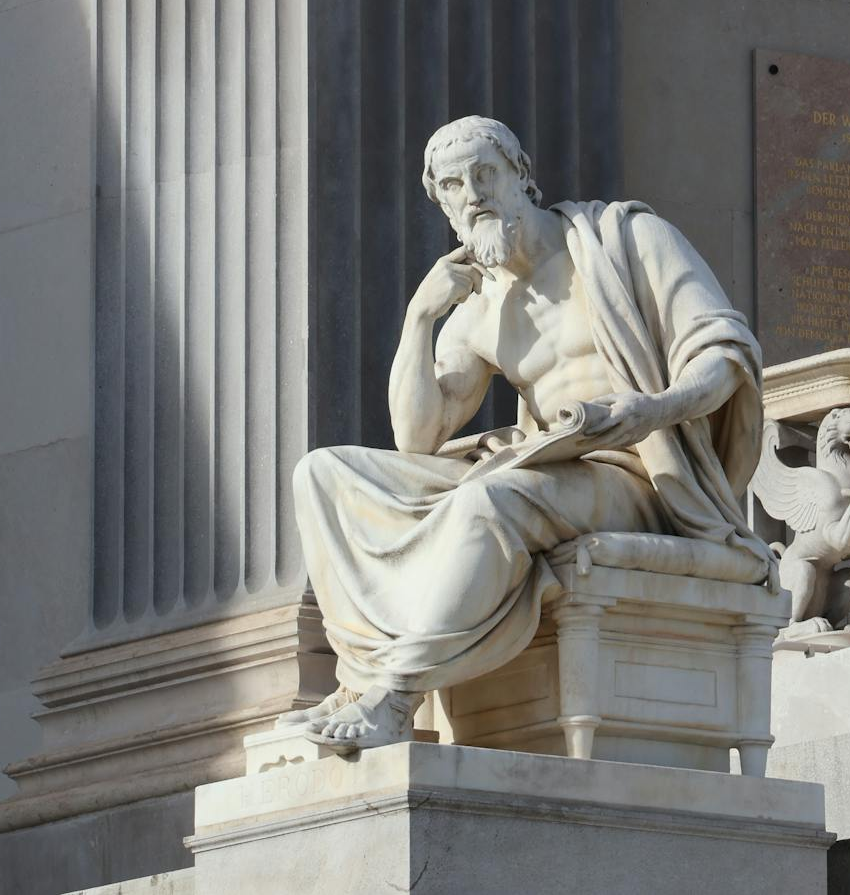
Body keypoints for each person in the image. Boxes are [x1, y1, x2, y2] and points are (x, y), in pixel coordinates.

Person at [283, 116, 772, 750]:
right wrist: (420, 317)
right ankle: (360, 677)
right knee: (322, 475)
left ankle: (395, 695)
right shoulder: (478, 307)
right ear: (443, 205)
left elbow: (726, 354)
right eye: (453, 186)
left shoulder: (624, 239)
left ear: (522, 176)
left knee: (491, 499)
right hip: (557, 467)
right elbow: (416, 438)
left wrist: (654, 409)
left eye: (485, 174)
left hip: (643, 476)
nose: (473, 195)